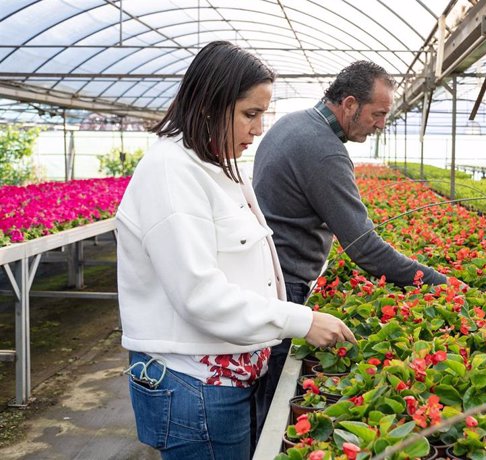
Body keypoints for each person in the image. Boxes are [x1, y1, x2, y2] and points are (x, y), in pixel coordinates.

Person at [116, 41, 355, 460]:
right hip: (195, 388)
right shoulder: (172, 172)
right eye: (250, 114)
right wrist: (300, 319)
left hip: (222, 381)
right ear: (209, 106)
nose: (259, 129)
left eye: (262, 114)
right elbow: (199, 295)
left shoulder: (214, 165)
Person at [252, 61, 447, 437]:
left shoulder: (293, 123)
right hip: (284, 284)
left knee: (263, 399)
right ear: (350, 104)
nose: (380, 124)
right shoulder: (323, 150)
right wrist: (440, 282)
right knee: (273, 412)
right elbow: (365, 249)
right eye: (377, 114)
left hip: (268, 274)